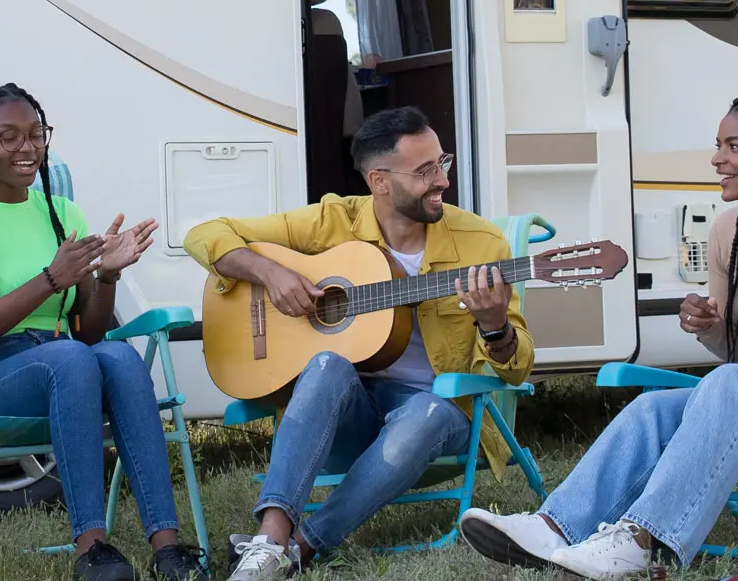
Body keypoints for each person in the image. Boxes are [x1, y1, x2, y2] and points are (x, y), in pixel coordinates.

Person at [461, 88, 738, 580]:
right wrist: (708, 327)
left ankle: (640, 542)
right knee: (651, 408)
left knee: (729, 384)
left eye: (733, 146)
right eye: (718, 145)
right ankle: (553, 527)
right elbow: (733, 355)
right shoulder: (729, 231)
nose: (717, 158)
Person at [182, 106, 534, 580]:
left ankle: (301, 547)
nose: (442, 181)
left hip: (432, 415)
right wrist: (272, 273)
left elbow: (517, 370)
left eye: (442, 163)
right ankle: (268, 542)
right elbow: (203, 235)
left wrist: (494, 327)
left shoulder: (481, 244)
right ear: (380, 181)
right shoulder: (334, 221)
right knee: (327, 362)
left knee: (429, 412)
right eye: (425, 170)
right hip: (341, 415)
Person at [0, 83, 205, 581]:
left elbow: (91, 332)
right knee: (72, 358)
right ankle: (91, 549)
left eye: (36, 135)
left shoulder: (62, 213)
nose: (27, 149)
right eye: (8, 137)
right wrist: (48, 280)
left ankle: (168, 548)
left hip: (66, 364)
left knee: (117, 357)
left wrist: (108, 275)